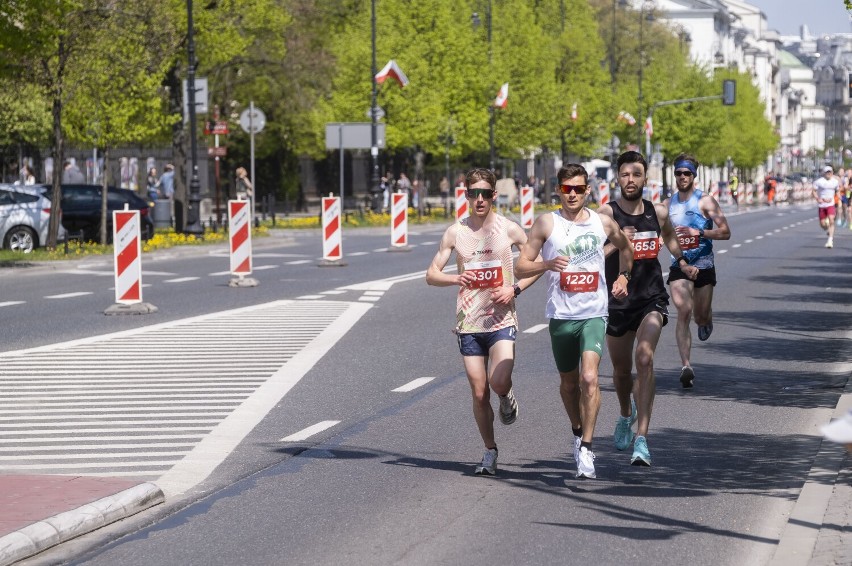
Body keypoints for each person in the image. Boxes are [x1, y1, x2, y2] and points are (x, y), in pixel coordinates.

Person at [516, 163, 633, 479]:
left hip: (594, 313)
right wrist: (547, 263)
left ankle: (587, 449)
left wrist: (623, 275)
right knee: (569, 385)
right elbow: (519, 266)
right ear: (558, 189)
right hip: (561, 316)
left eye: (578, 189)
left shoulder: (602, 223)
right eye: (566, 188)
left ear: (588, 191)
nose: (572, 194)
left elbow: (626, 247)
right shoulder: (546, 223)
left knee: (590, 378)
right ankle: (577, 429)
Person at [426, 167, 540, 476]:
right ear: (465, 195)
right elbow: (430, 275)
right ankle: (490, 451)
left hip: (502, 319)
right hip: (469, 323)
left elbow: (534, 265)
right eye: (472, 193)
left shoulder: (509, 229)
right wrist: (455, 278)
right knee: (478, 392)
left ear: (494, 196)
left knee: (498, 380)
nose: (479, 200)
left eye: (485, 194)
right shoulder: (455, 232)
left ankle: (505, 395)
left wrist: (514, 288)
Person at [598, 151, 698, 466]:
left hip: (650, 295)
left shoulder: (658, 212)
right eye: (625, 174)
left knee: (644, 357)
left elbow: (668, 237)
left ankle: (642, 438)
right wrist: (618, 243)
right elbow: (590, 256)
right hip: (616, 299)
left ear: (645, 178)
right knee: (620, 370)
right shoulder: (605, 214)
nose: (630, 180)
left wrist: (681, 260)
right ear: (618, 177)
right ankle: (626, 414)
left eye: (636, 174)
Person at [664, 153, 731, 388]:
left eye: (687, 173)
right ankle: (686, 366)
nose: (682, 177)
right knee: (683, 309)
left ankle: (706, 319)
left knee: (699, 315)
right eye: (679, 173)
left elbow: (725, 232)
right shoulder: (667, 205)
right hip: (679, 265)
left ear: (694, 175)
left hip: (704, 264)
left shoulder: (706, 201)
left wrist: (699, 233)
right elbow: (655, 233)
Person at [813, 165, 839, 248]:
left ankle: (830, 240)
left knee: (831, 220)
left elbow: (837, 190)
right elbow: (813, 190)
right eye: (827, 172)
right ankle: (827, 229)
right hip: (822, 205)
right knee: (823, 224)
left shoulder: (835, 182)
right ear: (824, 173)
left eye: (830, 172)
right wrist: (817, 198)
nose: (828, 174)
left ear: (832, 173)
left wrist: (839, 197)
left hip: (830, 204)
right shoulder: (819, 181)